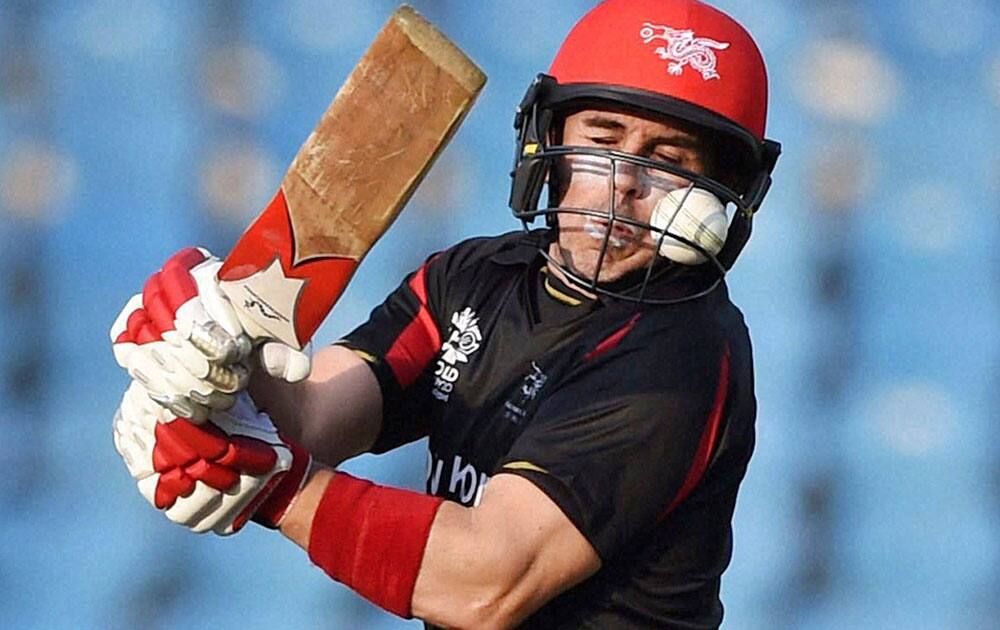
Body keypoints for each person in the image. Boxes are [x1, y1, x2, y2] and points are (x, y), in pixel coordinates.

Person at [109, 0, 781, 627]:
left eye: (669, 161)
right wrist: (222, 344)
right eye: (603, 138)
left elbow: (486, 582)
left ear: (719, 200)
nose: (625, 180)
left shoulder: (681, 355)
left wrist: (274, 487)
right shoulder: (476, 275)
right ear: (549, 143)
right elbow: (314, 418)